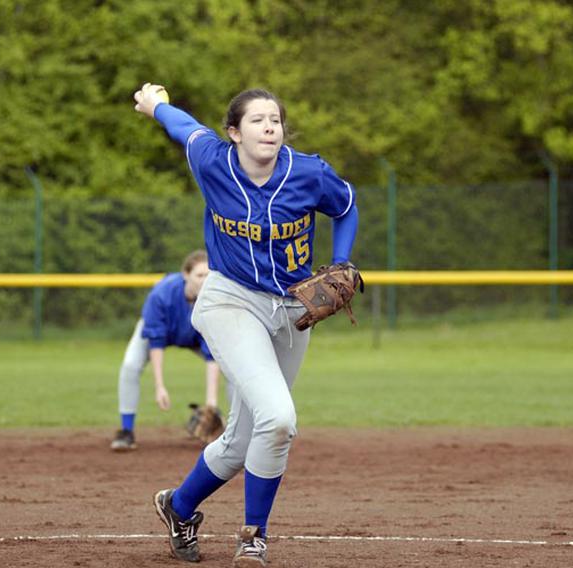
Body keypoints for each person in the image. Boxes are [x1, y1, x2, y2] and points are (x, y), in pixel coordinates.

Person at [133, 83, 359, 567]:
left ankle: (178, 506)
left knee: (245, 438)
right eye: (257, 120)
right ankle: (254, 536)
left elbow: (345, 207)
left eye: (275, 119)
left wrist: (341, 261)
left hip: (293, 312)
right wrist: (156, 106)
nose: (269, 127)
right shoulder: (213, 161)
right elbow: (184, 129)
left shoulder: (308, 173)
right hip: (230, 301)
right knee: (279, 417)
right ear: (234, 133)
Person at [110, 249, 221, 452]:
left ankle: (238, 434)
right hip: (159, 331)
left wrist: (211, 403)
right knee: (130, 366)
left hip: (193, 335)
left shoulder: (213, 300)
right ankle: (126, 431)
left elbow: (213, 356)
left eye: (208, 275)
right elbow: (156, 343)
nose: (204, 280)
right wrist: (160, 386)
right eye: (199, 275)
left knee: (233, 366)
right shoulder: (162, 294)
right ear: (185, 275)